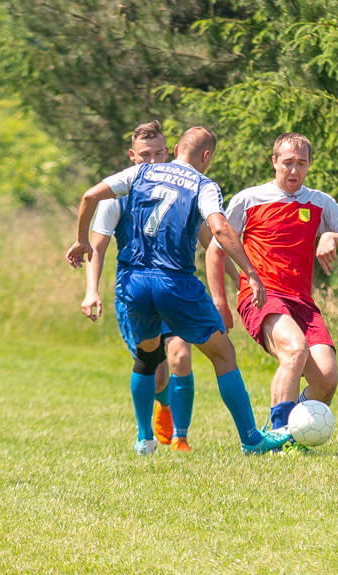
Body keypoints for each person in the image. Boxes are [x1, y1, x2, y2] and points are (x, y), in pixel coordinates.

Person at [67, 126, 291, 456]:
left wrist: (80, 239)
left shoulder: (140, 174)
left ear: (174, 150)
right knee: (223, 353)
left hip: (133, 282)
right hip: (174, 282)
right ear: (206, 156)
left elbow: (88, 196)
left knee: (146, 358)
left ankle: (145, 440)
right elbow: (217, 229)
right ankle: (251, 439)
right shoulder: (203, 185)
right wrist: (250, 273)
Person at [206, 132, 338, 448]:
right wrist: (220, 302)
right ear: (274, 162)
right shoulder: (249, 199)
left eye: (301, 163)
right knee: (294, 349)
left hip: (302, 303)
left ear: (309, 164)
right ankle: (278, 437)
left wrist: (333, 238)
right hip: (261, 295)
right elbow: (215, 250)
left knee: (325, 381)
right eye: (287, 163)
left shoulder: (320, 202)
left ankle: (290, 426)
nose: (294, 171)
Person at [83, 120, 238, 453]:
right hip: (136, 286)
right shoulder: (119, 193)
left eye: (159, 153)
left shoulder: (181, 189)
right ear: (132, 155)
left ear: (171, 152)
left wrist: (237, 278)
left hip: (173, 284)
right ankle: (159, 412)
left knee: (180, 354)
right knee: (155, 368)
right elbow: (97, 247)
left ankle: (180, 436)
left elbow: (210, 241)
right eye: (145, 155)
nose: (153, 160)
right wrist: (91, 290)